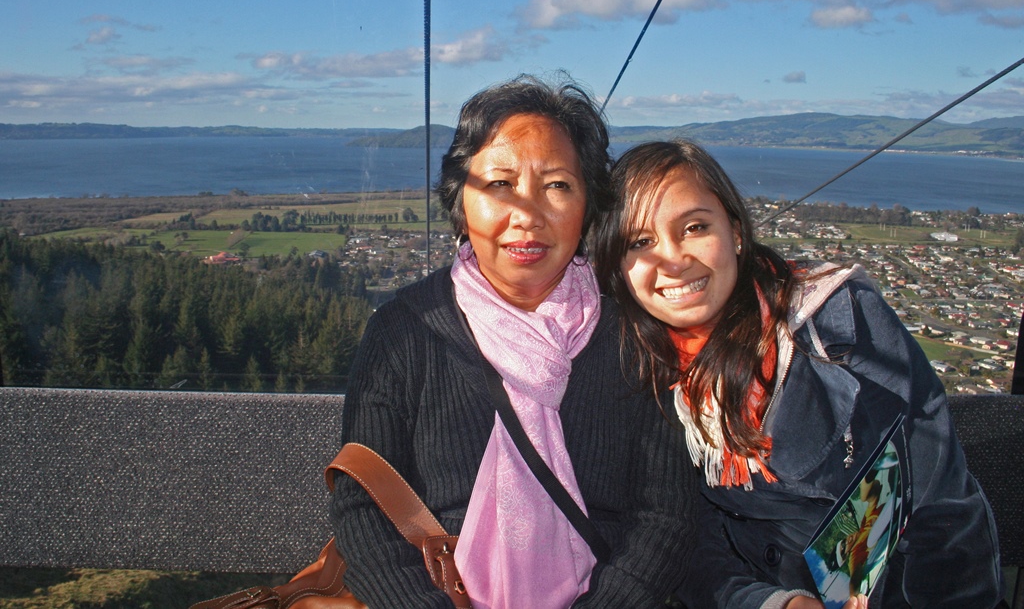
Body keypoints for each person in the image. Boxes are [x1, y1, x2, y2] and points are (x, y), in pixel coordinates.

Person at [329, 77, 698, 608]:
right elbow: (363, 504)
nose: (527, 214)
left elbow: (665, 517)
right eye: (500, 184)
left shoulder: (633, 335)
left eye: (557, 186)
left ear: (589, 206)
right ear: (461, 204)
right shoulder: (404, 330)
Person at [592, 139, 1003, 609]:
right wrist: (773, 602)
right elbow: (690, 543)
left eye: (694, 227)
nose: (673, 259)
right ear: (618, 268)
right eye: (640, 242)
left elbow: (939, 498)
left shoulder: (836, 323)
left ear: (735, 230)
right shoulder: (644, 375)